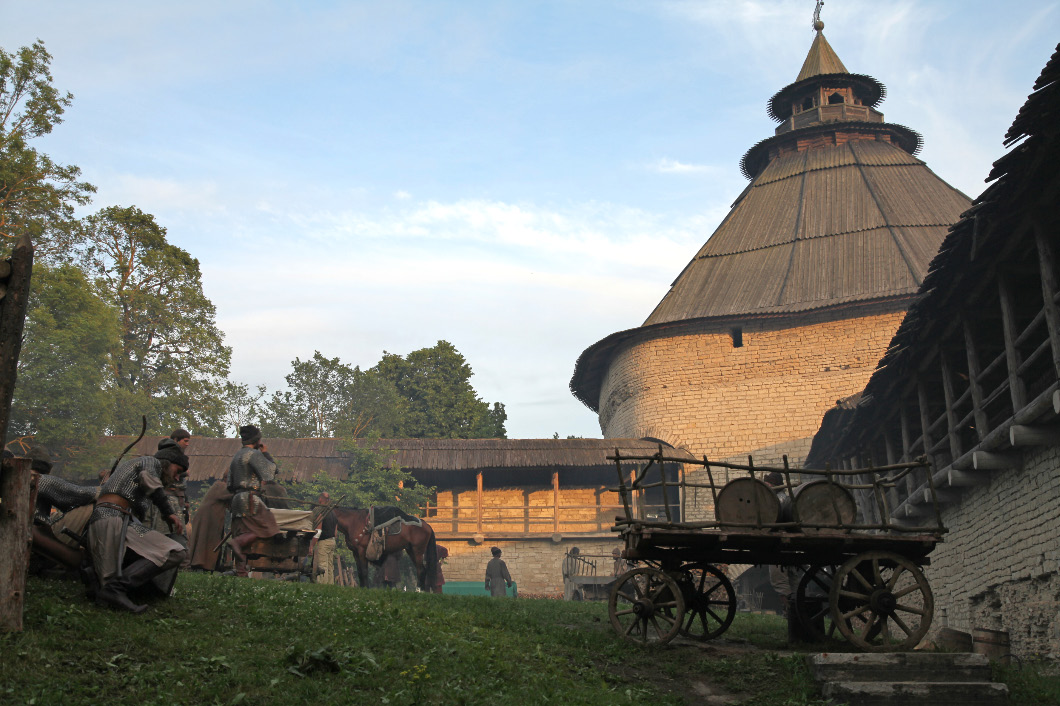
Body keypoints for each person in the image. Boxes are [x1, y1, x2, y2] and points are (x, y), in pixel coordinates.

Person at [86, 443, 188, 613]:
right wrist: (168, 512)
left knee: (108, 583)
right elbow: (148, 478)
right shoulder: (150, 462)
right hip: (113, 519)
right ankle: (115, 589)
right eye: (177, 471)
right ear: (167, 462)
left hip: (117, 521)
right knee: (176, 551)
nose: (177, 478)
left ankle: (112, 589)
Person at [226, 425, 282, 577]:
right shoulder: (253, 454)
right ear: (257, 440)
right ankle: (237, 543)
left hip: (236, 499)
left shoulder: (237, 456)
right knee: (269, 525)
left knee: (242, 533)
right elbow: (271, 473)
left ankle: (241, 571)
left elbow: (229, 483)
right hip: (250, 498)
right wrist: (265, 453)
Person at [311, 492, 337, 584]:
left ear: (320, 499)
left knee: (322, 565)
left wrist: (312, 545)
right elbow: (335, 532)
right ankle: (330, 585)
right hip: (332, 541)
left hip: (324, 542)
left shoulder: (321, 513)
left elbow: (318, 531)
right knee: (330, 565)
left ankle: (322, 584)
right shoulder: (332, 513)